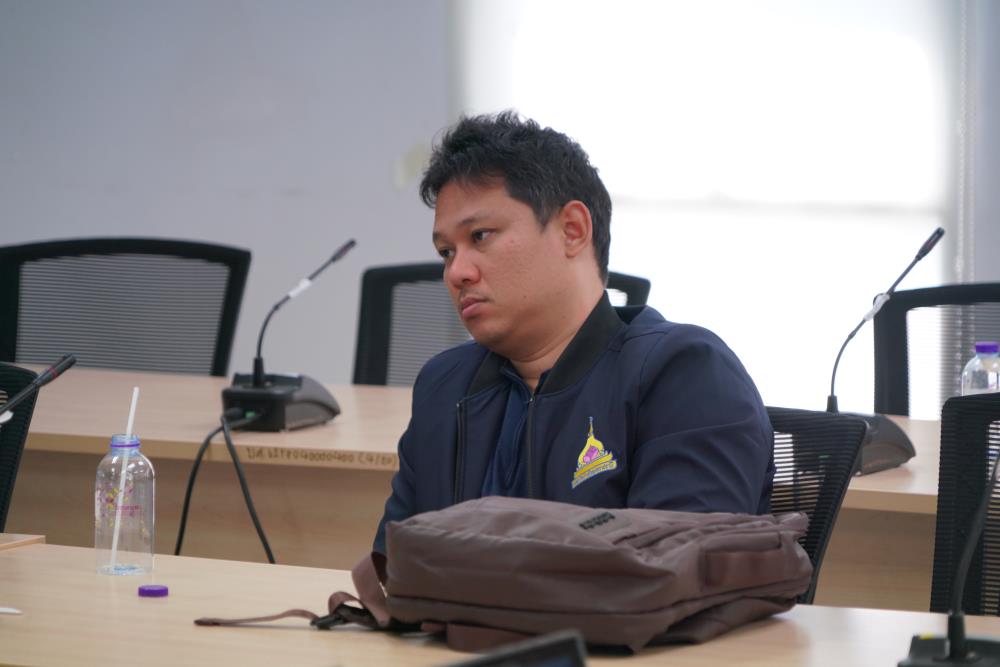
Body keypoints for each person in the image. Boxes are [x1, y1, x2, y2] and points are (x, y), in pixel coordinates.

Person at [372, 111, 773, 556]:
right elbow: (392, 566)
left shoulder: (684, 374)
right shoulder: (444, 386)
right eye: (446, 252)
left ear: (573, 230)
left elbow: (677, 573)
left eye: (480, 236)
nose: (456, 272)